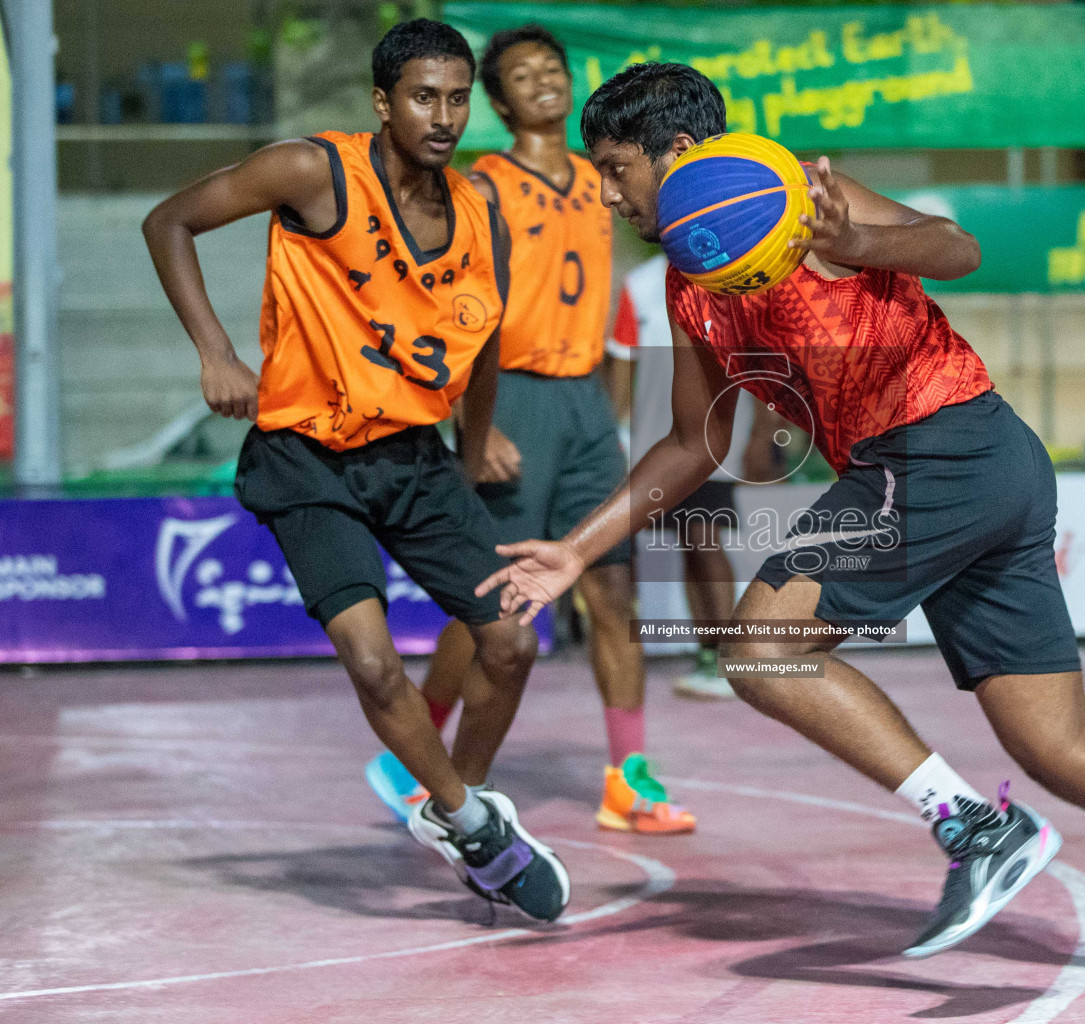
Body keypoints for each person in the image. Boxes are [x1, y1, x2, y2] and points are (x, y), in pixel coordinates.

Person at [475, 62, 1085, 994]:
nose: (604, 191)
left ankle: (977, 827)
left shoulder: (798, 195)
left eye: (614, 168)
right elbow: (698, 441)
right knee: (1057, 744)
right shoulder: (691, 285)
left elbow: (958, 249)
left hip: (936, 450)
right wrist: (576, 548)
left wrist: (857, 236)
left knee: (758, 648)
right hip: (978, 465)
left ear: (680, 156)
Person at [142, 18, 568, 921]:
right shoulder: (315, 170)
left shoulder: (479, 211)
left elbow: (484, 339)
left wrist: (473, 440)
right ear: (384, 102)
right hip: (305, 460)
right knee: (376, 666)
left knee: (512, 638)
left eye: (457, 98)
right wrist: (216, 353)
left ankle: (463, 812)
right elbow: (168, 219)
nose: (444, 115)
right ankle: (469, 820)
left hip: (415, 459)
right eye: (424, 96)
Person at [367, 25, 694, 836]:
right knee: (497, 601)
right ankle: (411, 755)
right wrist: (460, 413)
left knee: (612, 590)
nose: (542, 80)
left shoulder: (606, 176)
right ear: (500, 100)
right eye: (521, 73)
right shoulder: (482, 184)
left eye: (553, 67)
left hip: (584, 399)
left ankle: (629, 780)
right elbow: (437, 300)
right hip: (506, 396)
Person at [609, 253, 780, 699]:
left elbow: (761, 361)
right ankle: (711, 654)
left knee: (705, 537)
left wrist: (762, 431)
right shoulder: (641, 282)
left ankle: (730, 656)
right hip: (661, 441)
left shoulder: (733, 274)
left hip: (717, 435)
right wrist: (619, 436)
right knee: (691, 541)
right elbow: (623, 366)